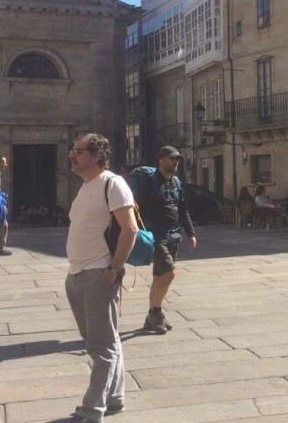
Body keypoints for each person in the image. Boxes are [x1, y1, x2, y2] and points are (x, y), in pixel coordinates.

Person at [66, 133, 138, 422]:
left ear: (96, 155)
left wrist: (114, 267)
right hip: (77, 273)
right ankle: (115, 397)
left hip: (99, 272)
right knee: (103, 339)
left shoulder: (113, 184)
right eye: (72, 150)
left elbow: (129, 229)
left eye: (79, 151)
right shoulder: (86, 186)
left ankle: (92, 409)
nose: (72, 155)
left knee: (101, 345)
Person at [132, 145, 197, 335]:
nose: (175, 162)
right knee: (170, 273)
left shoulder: (176, 182)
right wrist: (137, 231)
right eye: (171, 158)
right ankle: (157, 312)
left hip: (173, 236)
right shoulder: (149, 183)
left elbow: (183, 210)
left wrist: (190, 233)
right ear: (160, 159)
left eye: (177, 159)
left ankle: (152, 315)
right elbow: (135, 207)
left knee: (159, 276)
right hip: (155, 235)